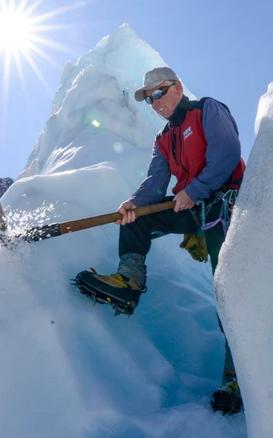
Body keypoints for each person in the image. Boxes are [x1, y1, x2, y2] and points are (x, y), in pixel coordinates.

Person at [74, 66, 246, 413]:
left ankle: (237, 377)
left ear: (178, 87)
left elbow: (227, 154)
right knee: (136, 221)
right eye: (148, 98)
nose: (154, 102)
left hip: (229, 206)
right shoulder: (164, 139)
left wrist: (195, 190)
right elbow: (155, 180)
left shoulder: (207, 110)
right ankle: (128, 282)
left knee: (226, 290)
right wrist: (134, 203)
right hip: (196, 208)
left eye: (159, 92)